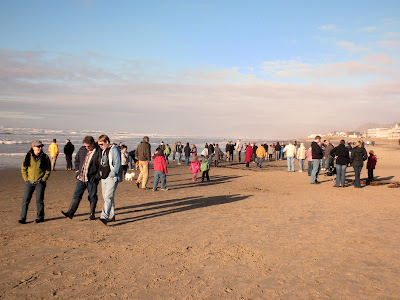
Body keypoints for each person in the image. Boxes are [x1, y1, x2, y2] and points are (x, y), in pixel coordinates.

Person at [61, 136, 101, 220]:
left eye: (88, 146)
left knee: (92, 196)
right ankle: (70, 213)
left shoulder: (98, 151)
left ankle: (92, 214)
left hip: (91, 179)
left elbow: (101, 166)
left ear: (93, 143)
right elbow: (77, 160)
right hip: (81, 177)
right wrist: (77, 171)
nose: (87, 148)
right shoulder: (82, 149)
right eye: (85, 146)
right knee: (76, 195)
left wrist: (96, 177)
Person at [19, 141, 51, 224]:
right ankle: (22, 218)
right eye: (38, 147)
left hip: (40, 182)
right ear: (33, 147)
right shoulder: (28, 156)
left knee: (39, 200)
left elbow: (48, 169)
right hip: (29, 182)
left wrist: (43, 179)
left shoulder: (45, 157)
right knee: (25, 201)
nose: (40, 148)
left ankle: (40, 217)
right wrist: (26, 179)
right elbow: (23, 168)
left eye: (41, 147)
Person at [98, 135, 123, 225]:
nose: (100, 146)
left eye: (101, 144)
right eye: (99, 144)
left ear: (107, 142)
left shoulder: (114, 149)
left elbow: (117, 164)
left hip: (111, 177)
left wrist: (111, 175)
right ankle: (111, 216)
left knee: (108, 197)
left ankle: (104, 217)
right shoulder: (104, 150)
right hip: (104, 177)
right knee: (107, 197)